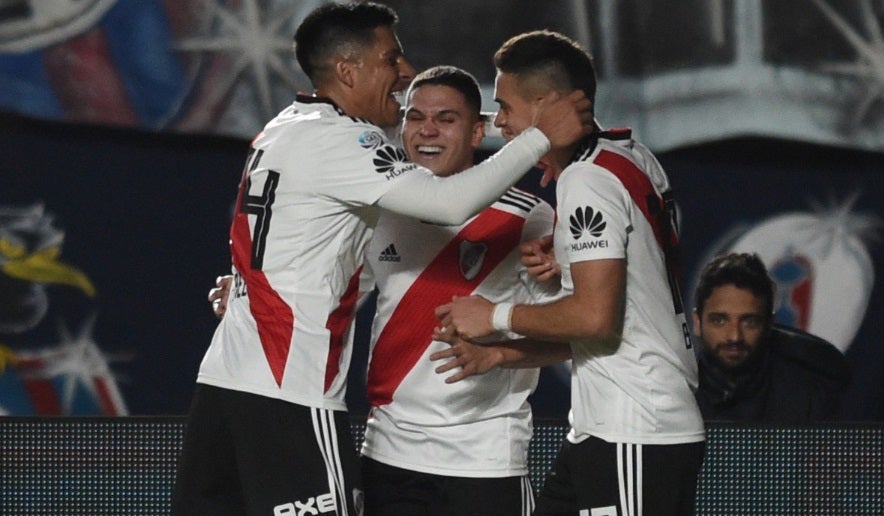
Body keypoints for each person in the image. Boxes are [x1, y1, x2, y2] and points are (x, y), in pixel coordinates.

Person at [171, 3, 591, 515]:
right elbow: (449, 203)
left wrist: (246, 284)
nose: (405, 71)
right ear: (348, 71)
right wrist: (542, 134)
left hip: (225, 381)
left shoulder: (282, 126)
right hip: (290, 386)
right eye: (391, 58)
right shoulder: (346, 142)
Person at [432, 30, 706, 515]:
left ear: (545, 106)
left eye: (507, 106)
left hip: (635, 429)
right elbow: (622, 308)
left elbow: (596, 320)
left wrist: (494, 316)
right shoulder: (628, 154)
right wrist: (501, 357)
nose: (500, 122)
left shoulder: (587, 180)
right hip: (606, 428)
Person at [359, 65, 566, 516]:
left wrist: (500, 345)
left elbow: (568, 336)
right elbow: (330, 296)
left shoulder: (529, 218)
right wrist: (245, 291)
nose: (427, 130)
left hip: (484, 460)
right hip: (388, 453)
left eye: (446, 119)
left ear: (477, 132)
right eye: (415, 117)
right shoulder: (380, 208)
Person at [692, 252, 850, 423]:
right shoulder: (673, 392)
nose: (734, 336)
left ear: (769, 325)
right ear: (697, 323)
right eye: (720, 320)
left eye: (749, 322)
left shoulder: (808, 394)